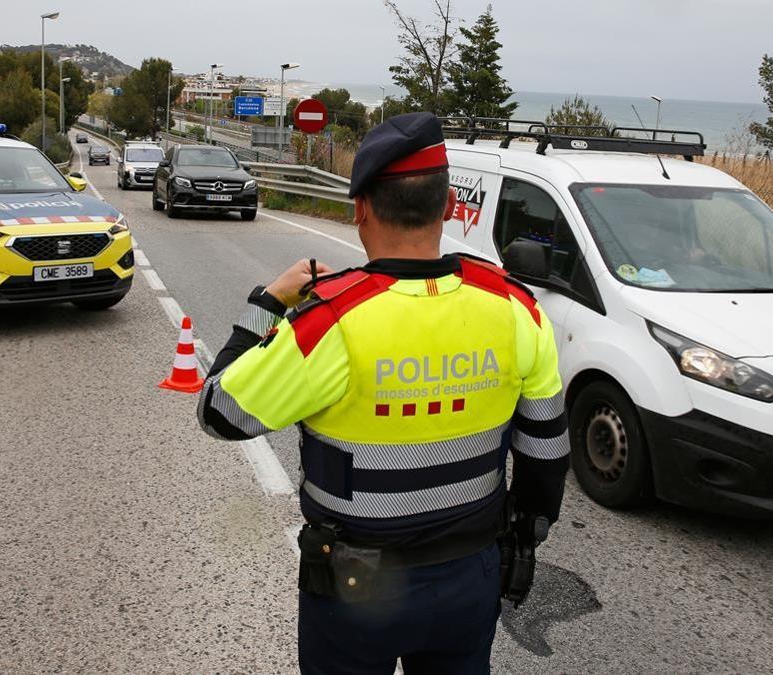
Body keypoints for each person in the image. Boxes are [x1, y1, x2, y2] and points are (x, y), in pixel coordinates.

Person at [197, 112, 570, 674]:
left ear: (361, 208)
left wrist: (270, 300)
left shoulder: (330, 322)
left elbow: (220, 413)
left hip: (353, 585)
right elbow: (546, 456)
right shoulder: (517, 308)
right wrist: (520, 539)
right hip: (471, 577)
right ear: (448, 207)